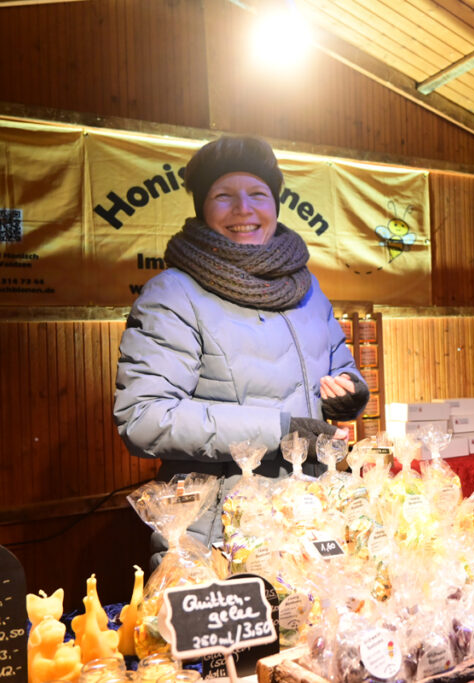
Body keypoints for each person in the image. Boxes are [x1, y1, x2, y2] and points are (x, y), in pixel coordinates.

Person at [113, 135, 369, 559]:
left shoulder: (306, 288)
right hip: (221, 531)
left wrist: (350, 393)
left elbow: (341, 366)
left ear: (275, 204)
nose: (243, 209)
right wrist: (279, 431)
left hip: (310, 516)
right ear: (202, 208)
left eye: (257, 194)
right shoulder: (173, 293)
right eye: (224, 196)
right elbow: (144, 418)